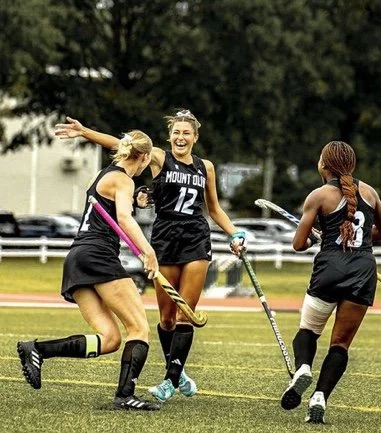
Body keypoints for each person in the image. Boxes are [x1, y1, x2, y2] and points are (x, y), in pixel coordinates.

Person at [54, 110, 247, 403]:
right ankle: (177, 369)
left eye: (186, 133)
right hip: (165, 240)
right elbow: (122, 145)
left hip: (196, 239)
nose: (181, 138)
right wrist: (85, 132)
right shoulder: (158, 157)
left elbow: (215, 209)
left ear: (195, 137)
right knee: (167, 319)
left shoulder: (205, 167)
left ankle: (170, 380)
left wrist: (235, 234)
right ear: (170, 136)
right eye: (176, 133)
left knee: (185, 314)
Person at [17, 130, 161, 411]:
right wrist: (149, 252)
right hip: (98, 256)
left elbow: (115, 206)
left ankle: (37, 349)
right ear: (144, 157)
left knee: (110, 339)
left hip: (77, 258)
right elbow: (124, 220)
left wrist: (135, 199)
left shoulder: (107, 175)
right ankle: (125, 395)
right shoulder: (123, 180)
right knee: (139, 329)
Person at [280, 141, 381, 424]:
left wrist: (317, 236)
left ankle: (302, 368)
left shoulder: (319, 195)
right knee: (341, 344)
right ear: (352, 165)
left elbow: (299, 244)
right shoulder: (371, 193)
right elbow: (378, 232)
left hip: (330, 268)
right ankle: (320, 397)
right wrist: (354, 237)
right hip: (363, 269)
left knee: (309, 330)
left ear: (323, 165)